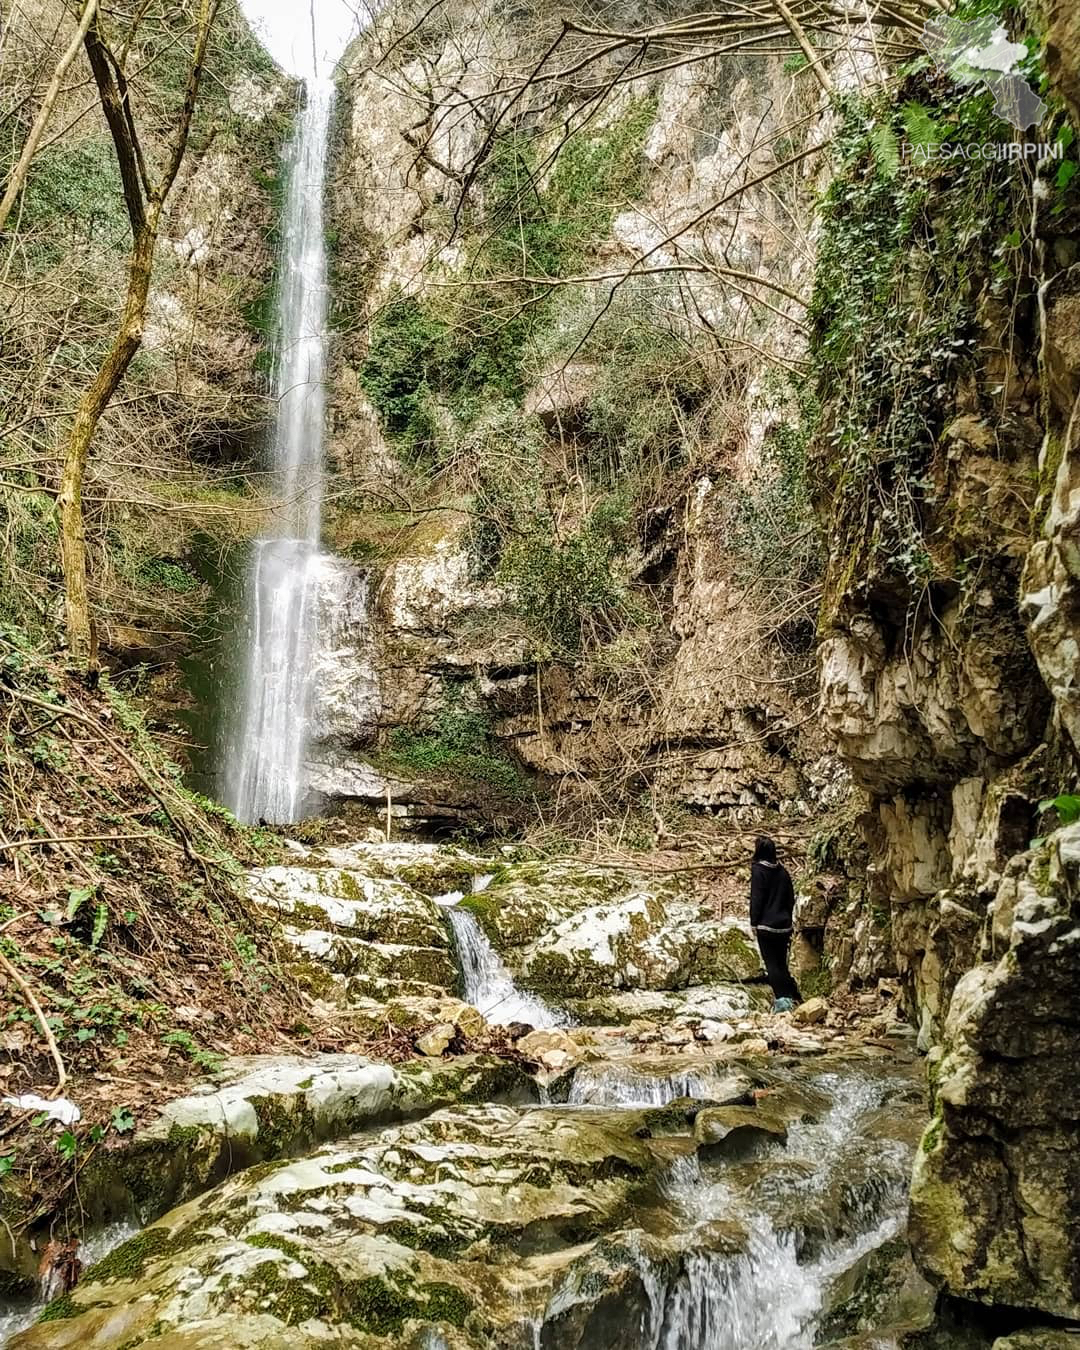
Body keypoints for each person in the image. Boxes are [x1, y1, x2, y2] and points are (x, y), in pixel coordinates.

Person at [749, 835, 802, 1013]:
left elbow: (757, 898)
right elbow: (790, 898)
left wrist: (753, 922)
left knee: (771, 964)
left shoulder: (758, 871)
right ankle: (793, 997)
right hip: (784, 924)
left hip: (766, 926)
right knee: (781, 963)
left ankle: (783, 1001)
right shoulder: (783, 871)